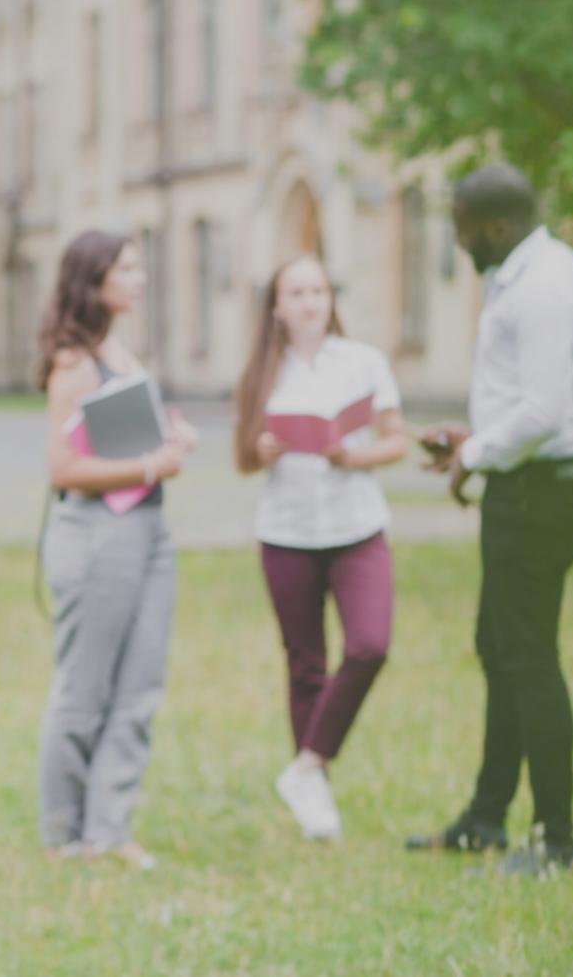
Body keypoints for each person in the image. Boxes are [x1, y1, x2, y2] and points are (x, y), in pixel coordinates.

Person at [406, 163, 573, 877]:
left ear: (495, 226)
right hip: (520, 482)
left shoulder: (543, 284)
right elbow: (525, 399)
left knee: (528, 659)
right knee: (498, 649)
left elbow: (546, 412)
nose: (456, 243)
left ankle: (555, 841)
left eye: (460, 228)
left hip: (540, 489)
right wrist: (475, 442)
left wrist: (475, 454)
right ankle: (486, 819)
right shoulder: (520, 276)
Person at [33, 230, 195, 869]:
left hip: (150, 533)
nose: (140, 277)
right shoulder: (74, 363)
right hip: (97, 537)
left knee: (139, 687)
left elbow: (121, 439)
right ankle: (62, 836)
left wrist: (167, 438)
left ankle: (109, 829)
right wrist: (154, 463)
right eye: (127, 268)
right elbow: (63, 468)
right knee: (84, 690)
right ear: (93, 280)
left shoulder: (118, 349)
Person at [232, 256, 408, 840]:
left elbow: (396, 440)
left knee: (369, 645)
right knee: (305, 665)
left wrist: (351, 455)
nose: (309, 301)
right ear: (277, 307)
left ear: (331, 298)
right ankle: (316, 803)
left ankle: (307, 766)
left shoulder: (363, 362)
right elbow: (242, 459)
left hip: (357, 527)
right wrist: (264, 449)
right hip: (287, 533)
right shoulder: (262, 372)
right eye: (296, 292)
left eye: (318, 290)